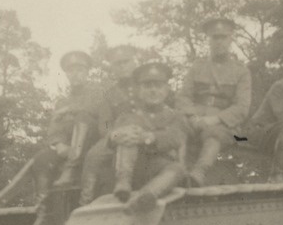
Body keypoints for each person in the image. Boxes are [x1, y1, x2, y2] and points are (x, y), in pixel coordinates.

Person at [25, 50, 103, 225]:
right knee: (42, 159)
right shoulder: (61, 101)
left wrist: (73, 110)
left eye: (80, 69)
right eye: (71, 71)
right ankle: (43, 214)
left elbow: (105, 119)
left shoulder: (99, 93)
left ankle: (70, 169)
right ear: (67, 74)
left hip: (93, 145)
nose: (75, 74)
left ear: (87, 71)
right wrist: (59, 145)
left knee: (84, 118)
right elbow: (53, 131)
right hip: (68, 148)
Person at [175, 17, 252, 186]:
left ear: (231, 39)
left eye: (223, 37)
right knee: (176, 125)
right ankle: (178, 169)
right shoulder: (197, 66)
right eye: (214, 37)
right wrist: (192, 116)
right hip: (195, 118)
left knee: (214, 134)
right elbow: (183, 96)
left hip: (223, 123)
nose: (219, 42)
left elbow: (242, 107)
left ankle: (199, 172)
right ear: (208, 40)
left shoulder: (241, 71)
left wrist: (214, 119)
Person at [105, 61, 188, 213]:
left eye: (158, 86)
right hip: (133, 168)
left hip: (160, 170)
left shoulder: (175, 116)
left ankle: (144, 198)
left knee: (177, 169)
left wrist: (147, 138)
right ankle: (123, 182)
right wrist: (116, 136)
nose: (153, 91)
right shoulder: (127, 115)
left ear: (166, 90)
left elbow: (176, 137)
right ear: (139, 90)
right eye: (147, 86)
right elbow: (111, 136)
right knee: (127, 130)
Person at [79, 45, 139, 205]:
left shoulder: (148, 84)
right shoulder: (109, 95)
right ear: (112, 68)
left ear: (134, 62)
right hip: (117, 135)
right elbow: (105, 125)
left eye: (125, 61)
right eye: (117, 64)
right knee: (92, 156)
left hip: (145, 131)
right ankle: (86, 201)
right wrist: (114, 135)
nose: (122, 66)